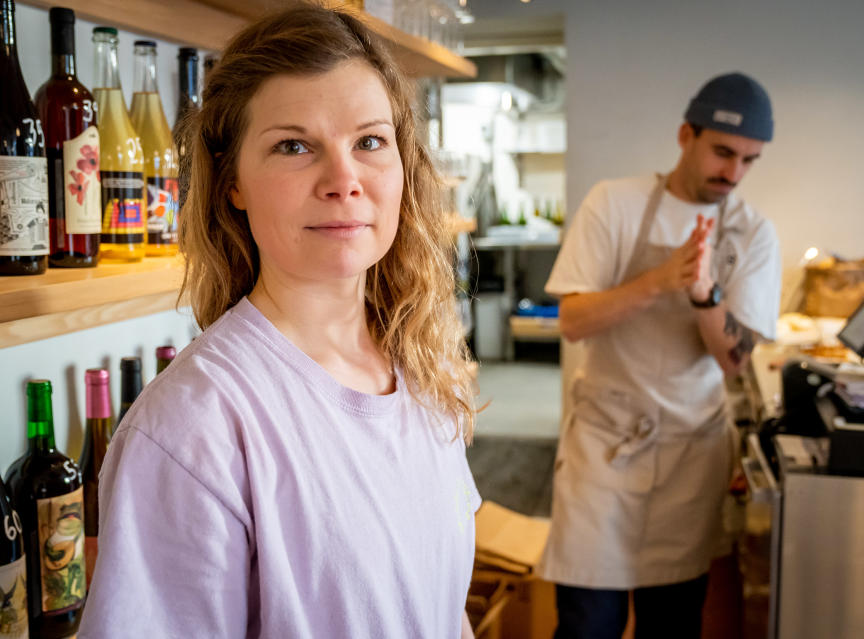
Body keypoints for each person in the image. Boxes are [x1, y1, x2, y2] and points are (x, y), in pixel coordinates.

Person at [78, 5, 481, 638]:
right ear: (232, 181)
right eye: (294, 146)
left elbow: (443, 607)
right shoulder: (193, 428)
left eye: (370, 142)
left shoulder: (422, 368)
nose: (344, 180)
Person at [537, 72, 782, 638]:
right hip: (606, 447)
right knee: (586, 623)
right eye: (723, 152)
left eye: (749, 160)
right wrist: (657, 282)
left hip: (689, 454)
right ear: (685, 135)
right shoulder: (614, 203)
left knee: (671, 622)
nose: (733, 173)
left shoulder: (752, 234)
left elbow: (733, 360)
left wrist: (703, 295)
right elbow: (573, 322)